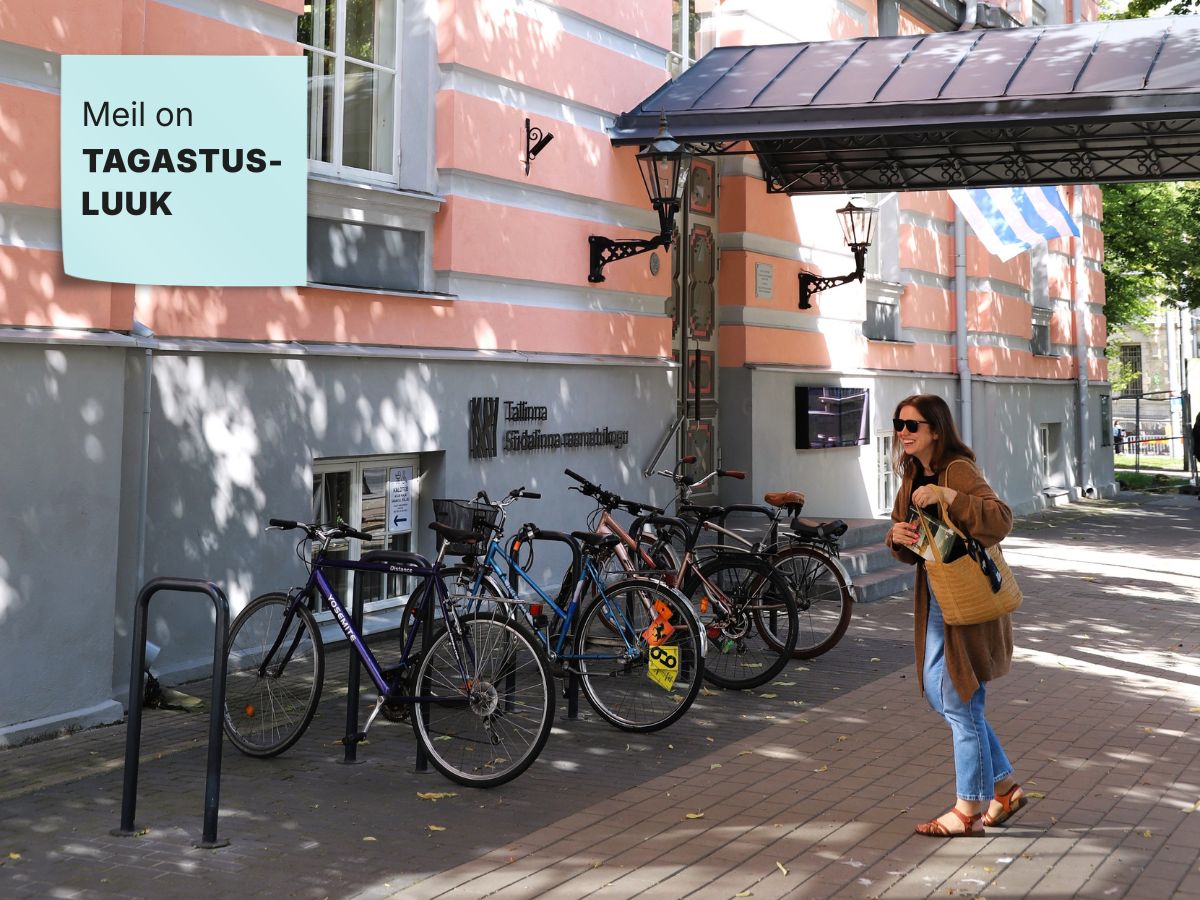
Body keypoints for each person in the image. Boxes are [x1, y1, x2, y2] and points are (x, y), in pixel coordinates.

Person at [885, 394, 1024, 837]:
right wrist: (897, 536)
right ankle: (1004, 789)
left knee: (961, 701)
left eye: (912, 425)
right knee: (941, 692)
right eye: (899, 424)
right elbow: (910, 542)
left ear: (936, 430)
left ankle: (969, 809)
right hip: (937, 596)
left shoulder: (957, 470)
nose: (903, 433)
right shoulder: (912, 472)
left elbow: (1000, 519)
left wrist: (948, 495)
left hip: (968, 598)